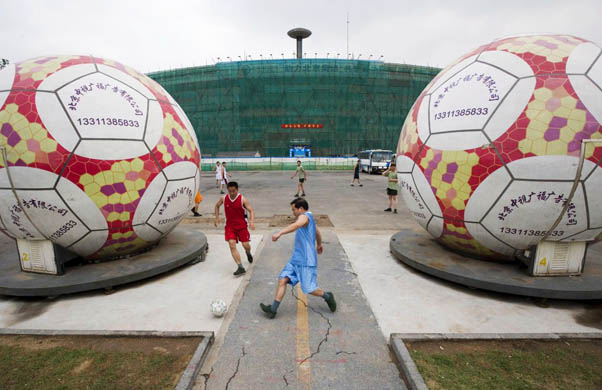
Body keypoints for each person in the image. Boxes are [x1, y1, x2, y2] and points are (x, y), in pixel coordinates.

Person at [260, 197, 336, 319]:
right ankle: (272, 310)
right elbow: (318, 233)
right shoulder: (310, 218)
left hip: (306, 261)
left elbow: (296, 225)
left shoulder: (304, 216)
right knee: (282, 279)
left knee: (309, 289)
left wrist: (279, 233)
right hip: (296, 259)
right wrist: (319, 244)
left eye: (294, 209)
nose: (293, 212)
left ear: (301, 209)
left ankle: (327, 296)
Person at [214, 181, 255, 276]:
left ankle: (248, 252)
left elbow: (251, 210)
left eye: (233, 191)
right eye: (230, 191)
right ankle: (240, 266)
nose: (232, 193)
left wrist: (251, 222)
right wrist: (216, 218)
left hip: (242, 226)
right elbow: (217, 206)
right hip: (229, 226)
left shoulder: (242, 199)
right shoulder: (224, 198)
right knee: (232, 244)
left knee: (246, 245)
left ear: (237, 190)